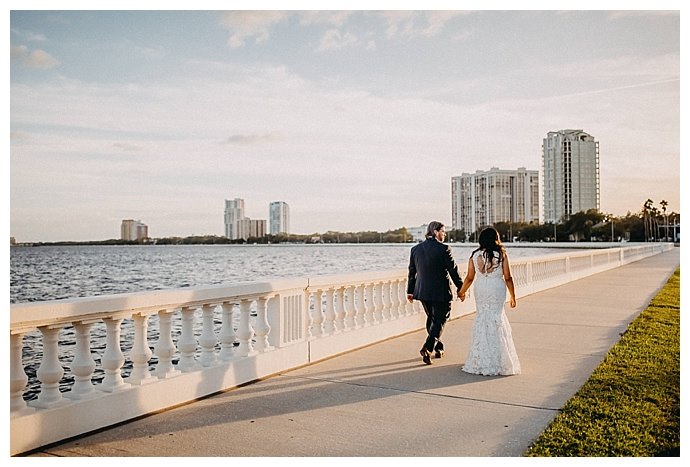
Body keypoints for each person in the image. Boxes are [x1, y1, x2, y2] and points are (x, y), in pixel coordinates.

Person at [458, 227, 521, 375]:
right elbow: (508, 277)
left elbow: (469, 277)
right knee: (497, 318)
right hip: (496, 288)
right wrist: (513, 295)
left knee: (482, 318)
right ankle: (500, 359)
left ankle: (479, 358)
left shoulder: (474, 255)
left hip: (481, 288)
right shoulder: (501, 254)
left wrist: (461, 292)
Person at [407, 221, 463, 365]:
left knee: (432, 319)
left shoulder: (415, 249)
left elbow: (412, 273)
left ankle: (438, 347)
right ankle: (428, 347)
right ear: (435, 232)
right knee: (441, 318)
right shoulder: (444, 249)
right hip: (440, 291)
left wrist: (410, 291)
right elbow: (453, 271)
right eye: (443, 231)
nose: (444, 234)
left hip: (422, 291)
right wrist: (461, 288)